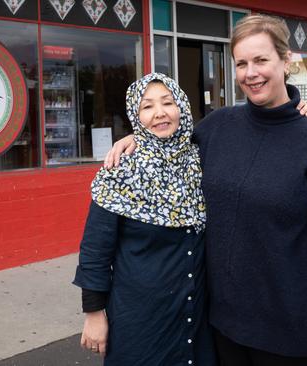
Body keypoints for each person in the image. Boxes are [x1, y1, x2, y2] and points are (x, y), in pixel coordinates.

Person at [104, 13, 307, 366]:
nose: (251, 73)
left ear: (286, 61)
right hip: (221, 323)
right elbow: (169, 142)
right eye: (241, 63)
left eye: (261, 60)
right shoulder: (219, 127)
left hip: (285, 326)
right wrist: (137, 137)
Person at [73, 73, 216, 365]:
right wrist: (94, 314)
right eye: (147, 107)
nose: (160, 113)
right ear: (136, 117)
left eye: (168, 102)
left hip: (195, 317)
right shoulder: (120, 170)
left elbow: (253, 124)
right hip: (139, 322)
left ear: (183, 109)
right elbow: (95, 250)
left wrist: (298, 109)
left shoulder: (203, 160)